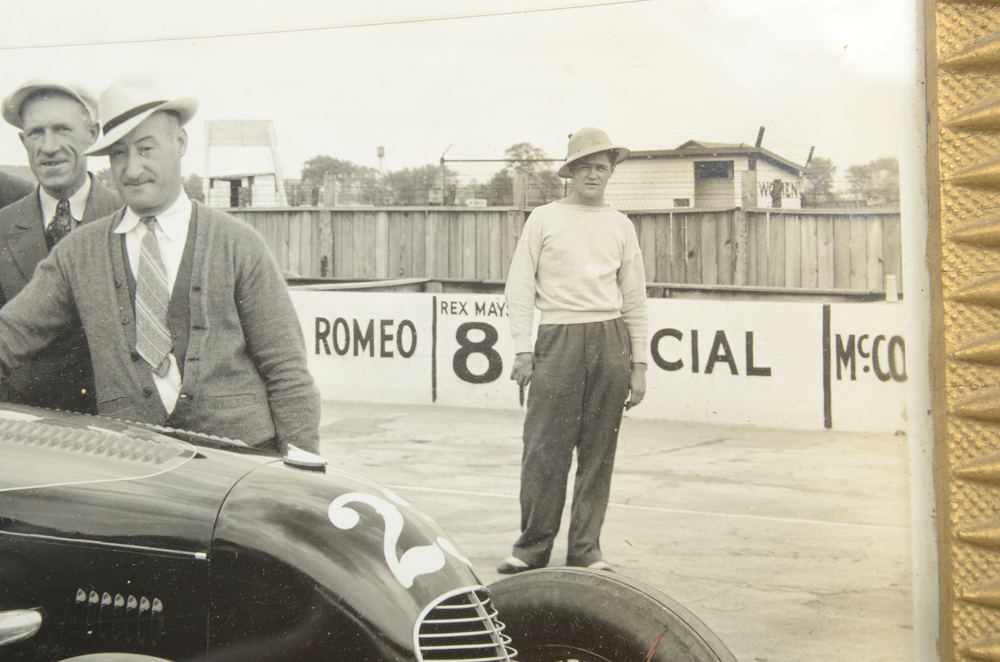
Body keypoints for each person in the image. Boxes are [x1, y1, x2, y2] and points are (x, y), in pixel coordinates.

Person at [0, 73, 320, 453]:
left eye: (146, 149)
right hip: (136, 465)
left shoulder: (239, 244)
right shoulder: (77, 254)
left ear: (180, 142)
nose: (132, 170)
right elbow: (9, 336)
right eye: (119, 154)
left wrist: (300, 466)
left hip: (242, 461)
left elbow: (287, 372)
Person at [498, 127, 648, 574]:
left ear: (610, 172)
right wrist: (522, 349)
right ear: (570, 172)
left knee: (598, 452)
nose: (593, 175)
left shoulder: (621, 225)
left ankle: (586, 550)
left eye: (601, 167)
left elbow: (634, 297)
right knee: (544, 449)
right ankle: (531, 549)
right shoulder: (543, 218)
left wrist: (639, 363)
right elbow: (520, 286)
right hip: (557, 338)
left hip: (610, 341)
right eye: (584, 167)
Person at [0, 80, 122, 413]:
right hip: (21, 424)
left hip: (112, 427)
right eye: (36, 133)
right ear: (23, 141)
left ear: (92, 135)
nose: (49, 147)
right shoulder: (2, 227)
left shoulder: (129, 218)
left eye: (62, 129)